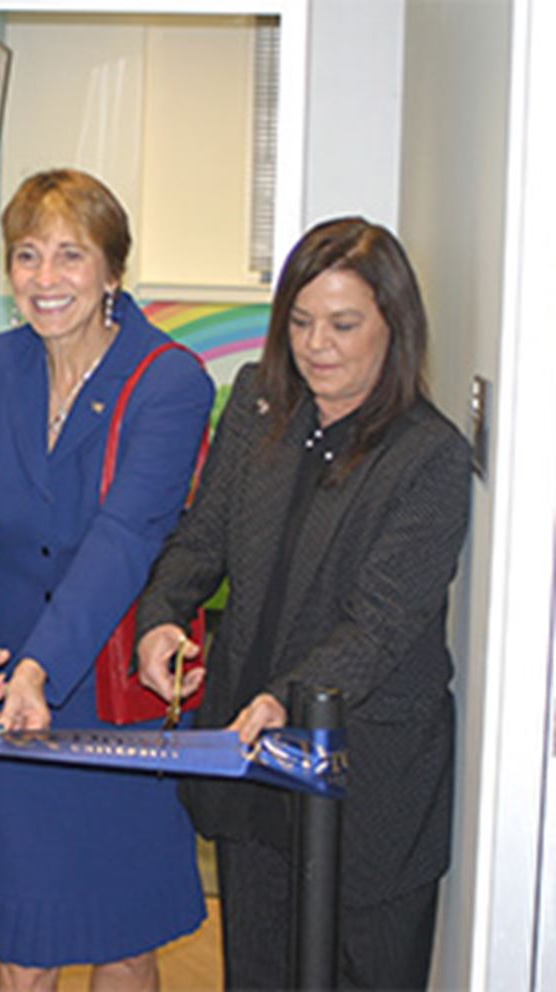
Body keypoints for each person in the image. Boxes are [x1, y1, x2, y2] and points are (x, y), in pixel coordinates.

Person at [136, 217, 471, 990]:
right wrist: (162, 615)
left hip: (372, 785)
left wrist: (284, 699)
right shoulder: (260, 402)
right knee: (256, 969)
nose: (318, 344)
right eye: (301, 321)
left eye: (344, 324)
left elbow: (380, 626)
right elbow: (203, 536)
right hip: (255, 770)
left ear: (395, 324)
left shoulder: (429, 457)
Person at [0, 168, 214, 991]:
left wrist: (39, 669)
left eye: (70, 256)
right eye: (26, 256)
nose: (45, 279)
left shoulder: (170, 380)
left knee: (122, 935)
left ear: (112, 272)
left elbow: (123, 541)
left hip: (107, 680)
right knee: (23, 947)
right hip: (2, 679)